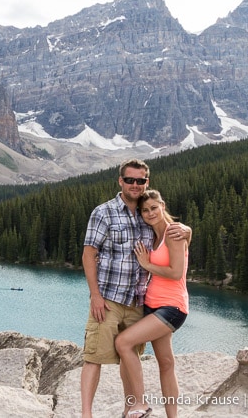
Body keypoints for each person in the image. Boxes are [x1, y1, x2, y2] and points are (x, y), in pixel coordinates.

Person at [80, 160, 190, 418]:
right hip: (109, 299)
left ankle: (134, 407)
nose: (134, 185)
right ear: (120, 181)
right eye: (130, 180)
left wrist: (186, 231)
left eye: (140, 181)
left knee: (126, 349)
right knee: (96, 356)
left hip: (143, 304)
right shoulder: (104, 212)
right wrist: (95, 295)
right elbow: (88, 254)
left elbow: (175, 266)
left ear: (147, 183)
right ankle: (87, 414)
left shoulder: (157, 225)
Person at [115, 190, 190, 418]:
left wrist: (147, 265)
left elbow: (176, 273)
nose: (150, 213)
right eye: (145, 210)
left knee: (123, 343)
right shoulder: (153, 234)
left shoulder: (173, 233)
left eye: (154, 208)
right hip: (153, 306)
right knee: (166, 364)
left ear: (163, 206)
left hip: (172, 308)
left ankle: (140, 404)